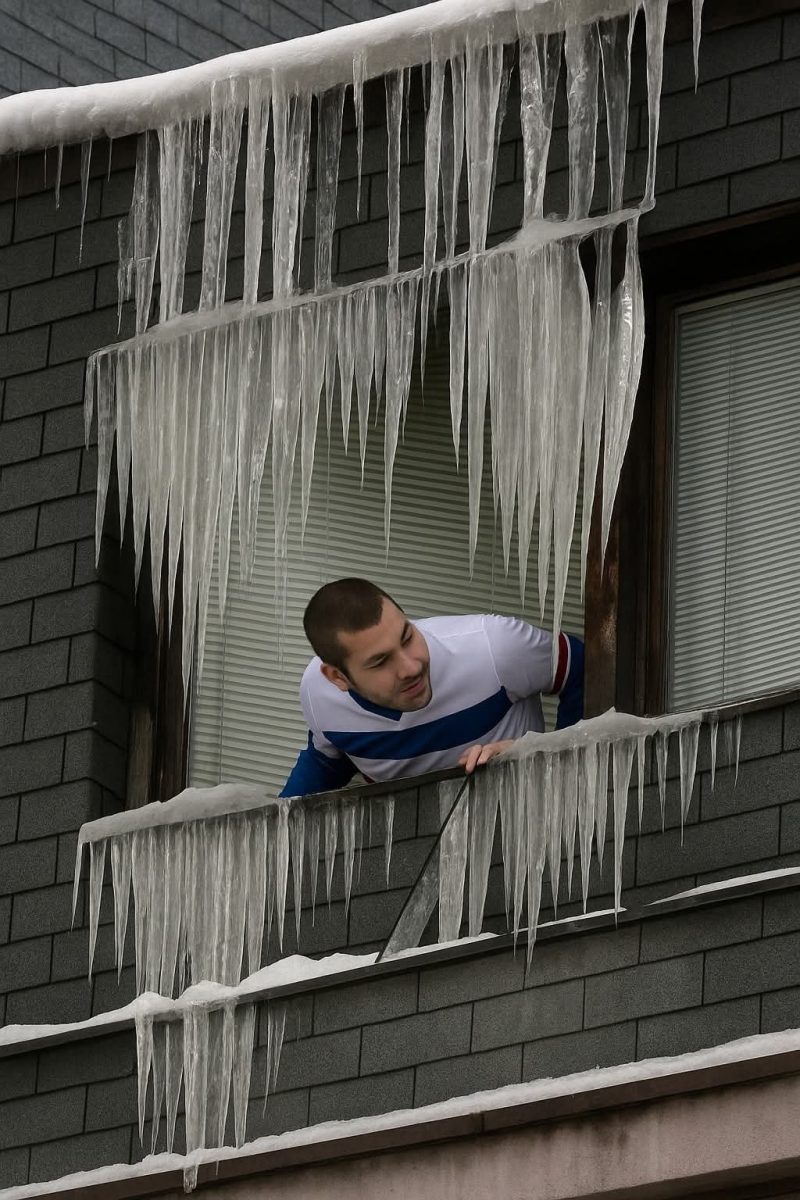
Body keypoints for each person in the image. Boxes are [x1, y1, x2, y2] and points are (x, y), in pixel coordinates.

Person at [280, 577, 584, 797]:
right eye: (381, 661)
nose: (411, 667)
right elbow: (328, 761)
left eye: (407, 637)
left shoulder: (495, 646)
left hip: (521, 823)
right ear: (338, 678)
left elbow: (582, 669)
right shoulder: (318, 693)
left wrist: (543, 754)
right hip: (411, 845)